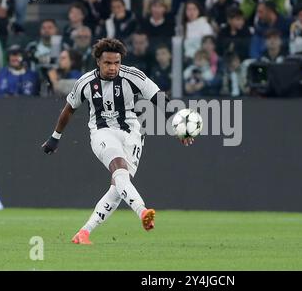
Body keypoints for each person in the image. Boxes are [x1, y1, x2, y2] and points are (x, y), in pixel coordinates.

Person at [41, 38, 194, 244]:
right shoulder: (85, 83)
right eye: (107, 63)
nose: (113, 68)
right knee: (119, 170)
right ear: (98, 62)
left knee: (119, 188)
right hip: (102, 132)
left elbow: (158, 98)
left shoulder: (133, 76)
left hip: (133, 134)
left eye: (116, 63)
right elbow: (69, 109)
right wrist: (55, 137)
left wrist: (177, 127)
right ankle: (143, 212)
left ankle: (83, 233)